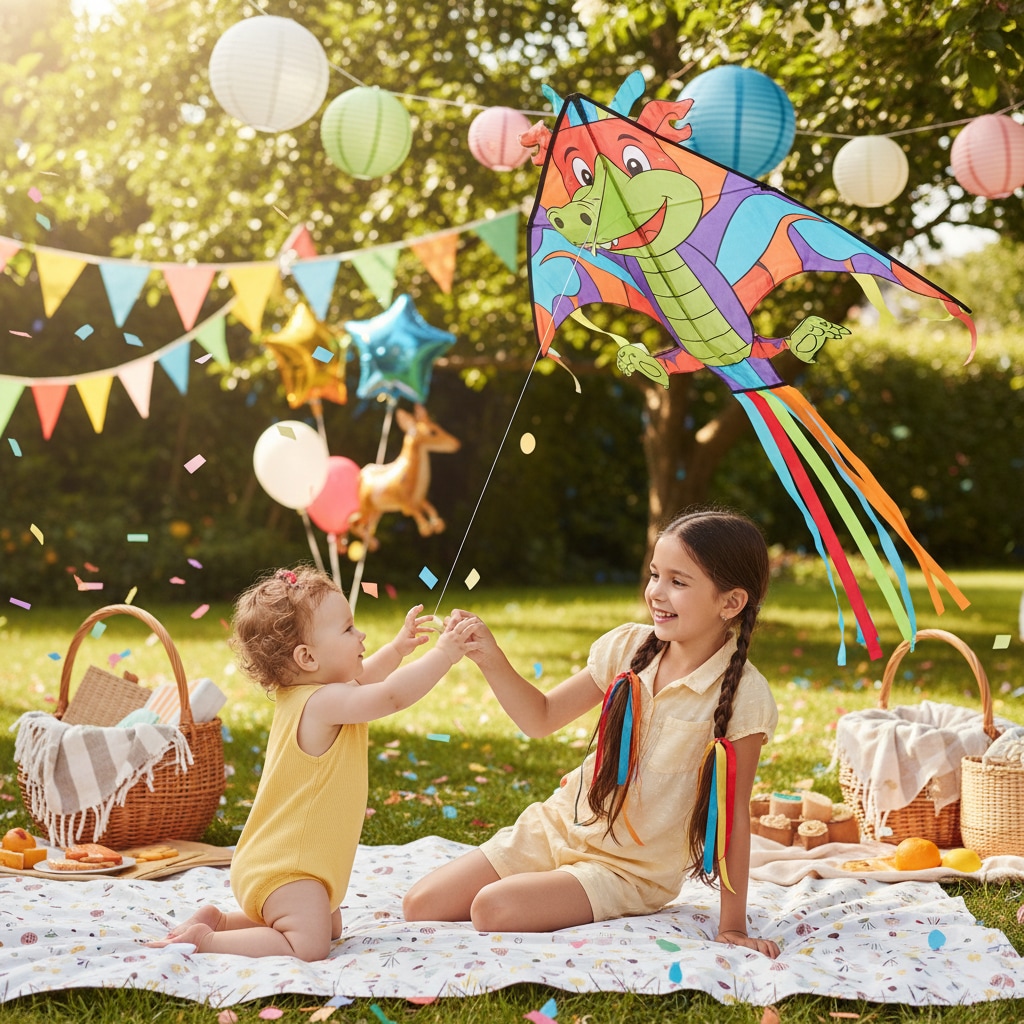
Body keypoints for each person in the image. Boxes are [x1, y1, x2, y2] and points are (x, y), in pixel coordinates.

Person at [403, 508, 780, 958]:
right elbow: (540, 717)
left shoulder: (746, 696)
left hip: (627, 871)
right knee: (420, 905)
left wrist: (733, 926)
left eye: (678, 582)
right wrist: (489, 655)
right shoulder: (626, 646)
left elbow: (733, 816)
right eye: (655, 574)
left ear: (731, 602)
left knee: (492, 909)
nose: (656, 593)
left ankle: (550, 892)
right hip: (561, 825)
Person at [148, 565, 478, 960]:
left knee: (330, 924)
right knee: (309, 945)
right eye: (348, 629)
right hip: (286, 870)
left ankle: (219, 921)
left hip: (288, 865)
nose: (361, 635)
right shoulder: (323, 704)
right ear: (306, 657)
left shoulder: (315, 693)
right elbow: (389, 697)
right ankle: (208, 941)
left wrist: (398, 648)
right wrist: (444, 655)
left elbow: (367, 678)